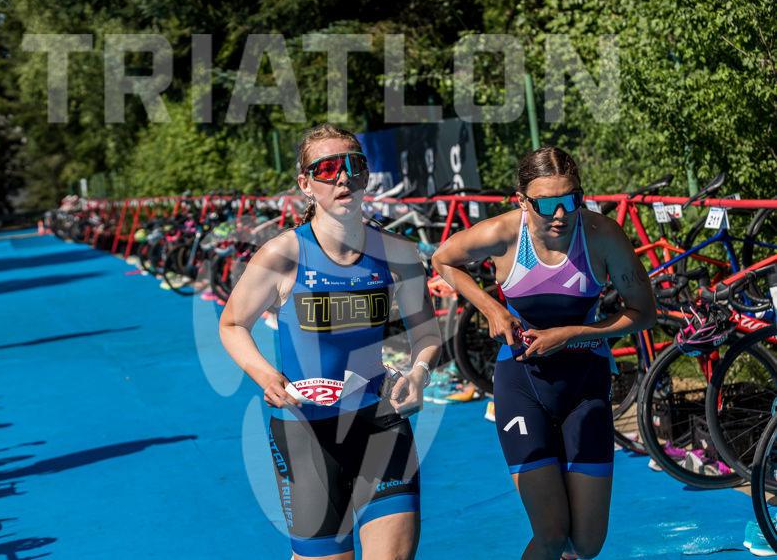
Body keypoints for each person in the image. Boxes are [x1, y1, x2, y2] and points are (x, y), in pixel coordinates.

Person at [219, 124, 441, 560]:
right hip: (307, 433)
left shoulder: (397, 253)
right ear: (305, 184)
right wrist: (265, 375)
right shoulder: (283, 256)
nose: (342, 178)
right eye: (326, 169)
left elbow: (427, 333)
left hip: (379, 422)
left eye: (353, 166)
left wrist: (419, 373)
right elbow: (232, 324)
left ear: (366, 176)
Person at [432, 147, 656, 560]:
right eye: (548, 204)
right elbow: (443, 259)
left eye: (571, 200)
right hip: (523, 388)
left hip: (585, 388)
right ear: (522, 201)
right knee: (551, 535)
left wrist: (570, 334)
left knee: (587, 544)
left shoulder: (602, 235)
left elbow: (644, 313)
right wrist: (491, 308)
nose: (561, 214)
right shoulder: (503, 234)